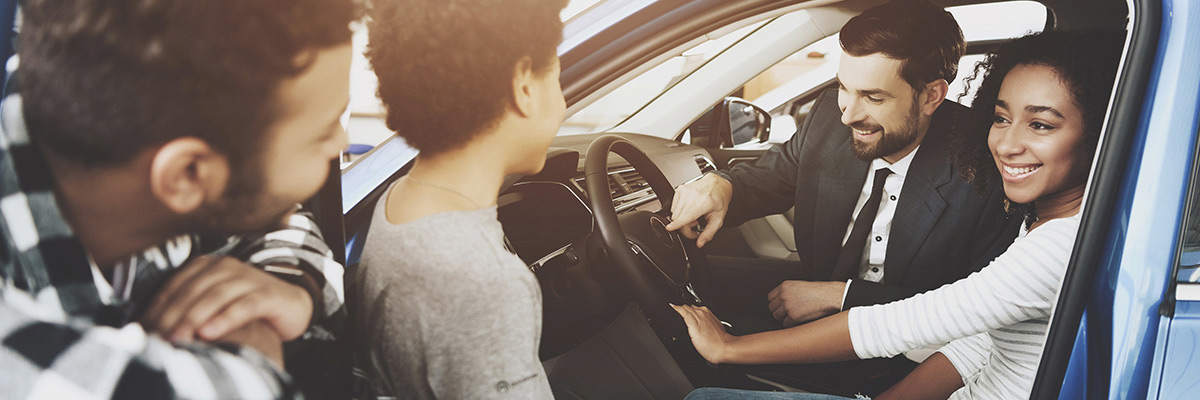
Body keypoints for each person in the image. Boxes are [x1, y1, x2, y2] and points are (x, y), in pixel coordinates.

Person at [675, 29, 1124, 400]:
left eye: (1041, 124)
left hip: (896, 351)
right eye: (1001, 118)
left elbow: (909, 324)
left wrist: (728, 349)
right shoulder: (1051, 224)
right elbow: (978, 343)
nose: (1006, 145)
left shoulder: (1051, 240)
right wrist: (723, 182)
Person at [0, 0, 357, 398]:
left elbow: (284, 223)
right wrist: (249, 341)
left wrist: (284, 283)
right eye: (324, 131)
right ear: (187, 174)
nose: (341, 143)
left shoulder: (109, 154)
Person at [667, 0, 1019, 392]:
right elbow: (770, 177)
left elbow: (976, 308)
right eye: (843, 88)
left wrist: (842, 297)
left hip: (915, 362)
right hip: (815, 332)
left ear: (931, 96)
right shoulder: (828, 120)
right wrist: (723, 185)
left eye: (874, 97)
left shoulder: (987, 165)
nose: (848, 114)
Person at [347, 0, 566, 398]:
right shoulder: (486, 282)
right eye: (558, 79)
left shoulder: (401, 199)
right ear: (524, 86)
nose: (563, 104)